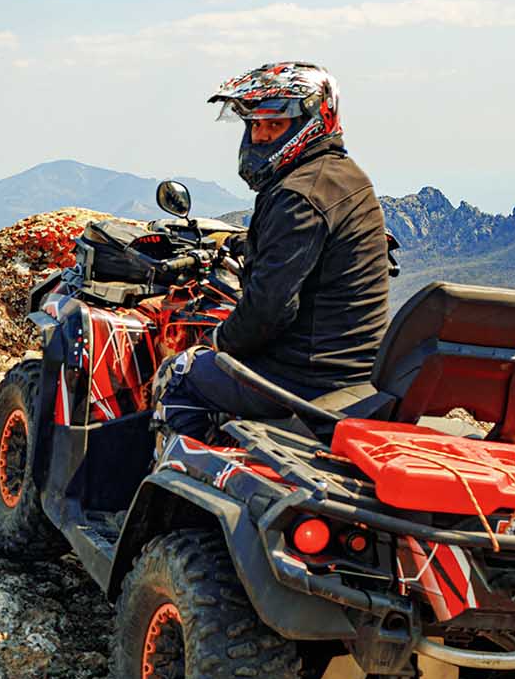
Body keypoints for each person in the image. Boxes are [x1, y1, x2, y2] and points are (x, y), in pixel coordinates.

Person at [152, 61, 390, 445]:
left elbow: (268, 311)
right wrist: (244, 245)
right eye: (255, 125)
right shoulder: (343, 176)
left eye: (274, 125)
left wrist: (218, 341)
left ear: (311, 122)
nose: (260, 136)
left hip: (304, 378)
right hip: (355, 369)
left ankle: (173, 489)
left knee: (180, 372)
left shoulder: (298, 195)